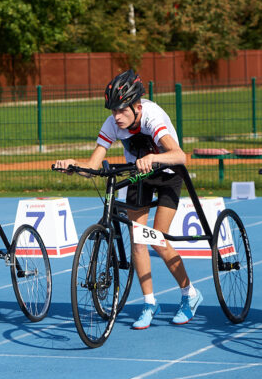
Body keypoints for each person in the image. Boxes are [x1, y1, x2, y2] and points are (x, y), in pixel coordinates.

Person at [56, 69, 203, 329]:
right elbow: (92, 164)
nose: (116, 116)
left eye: (122, 110)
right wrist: (73, 165)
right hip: (140, 174)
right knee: (138, 241)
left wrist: (154, 158)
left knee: (157, 238)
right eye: (113, 110)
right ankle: (149, 303)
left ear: (136, 106)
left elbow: (180, 156)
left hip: (168, 173)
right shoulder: (112, 123)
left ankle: (189, 294)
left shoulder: (152, 117)